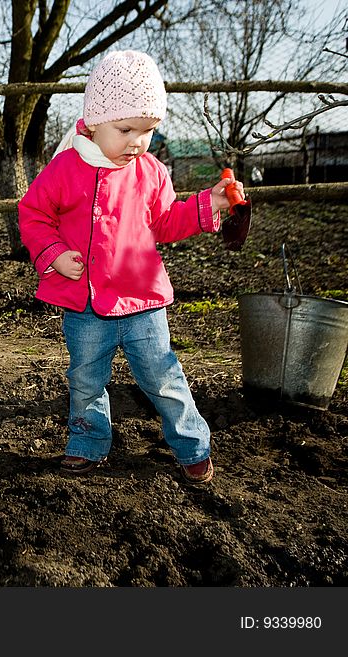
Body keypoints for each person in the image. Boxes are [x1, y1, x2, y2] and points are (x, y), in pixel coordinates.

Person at [18, 50, 244, 485]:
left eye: (147, 131)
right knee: (85, 379)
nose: (137, 142)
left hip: (143, 300)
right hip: (85, 306)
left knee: (164, 377)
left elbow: (165, 221)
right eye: (126, 130)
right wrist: (53, 253)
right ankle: (87, 442)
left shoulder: (152, 172)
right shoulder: (66, 167)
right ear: (94, 121)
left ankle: (192, 445)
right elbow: (33, 214)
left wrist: (208, 205)